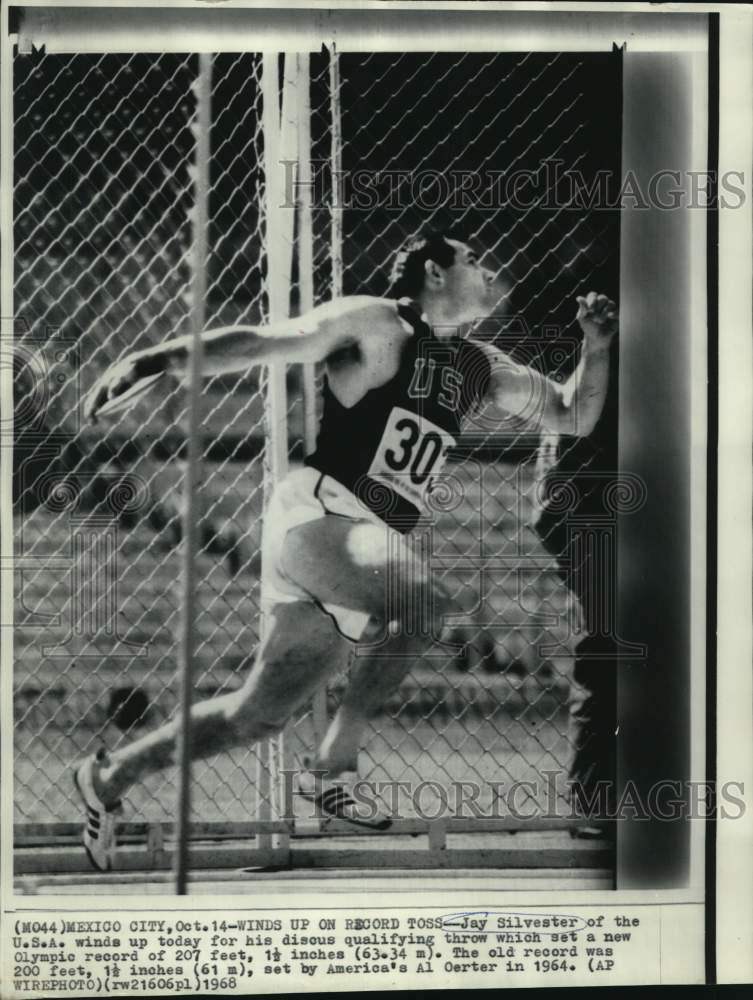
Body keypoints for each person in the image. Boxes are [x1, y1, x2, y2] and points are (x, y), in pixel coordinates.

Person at [75, 231, 617, 871]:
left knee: (257, 715)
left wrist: (596, 347)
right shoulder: (377, 321)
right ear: (434, 274)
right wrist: (157, 360)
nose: (490, 267)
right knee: (423, 603)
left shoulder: (480, 366)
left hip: (358, 548)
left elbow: (569, 413)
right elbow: (266, 340)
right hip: (323, 512)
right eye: (474, 259)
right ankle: (333, 769)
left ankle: (107, 778)